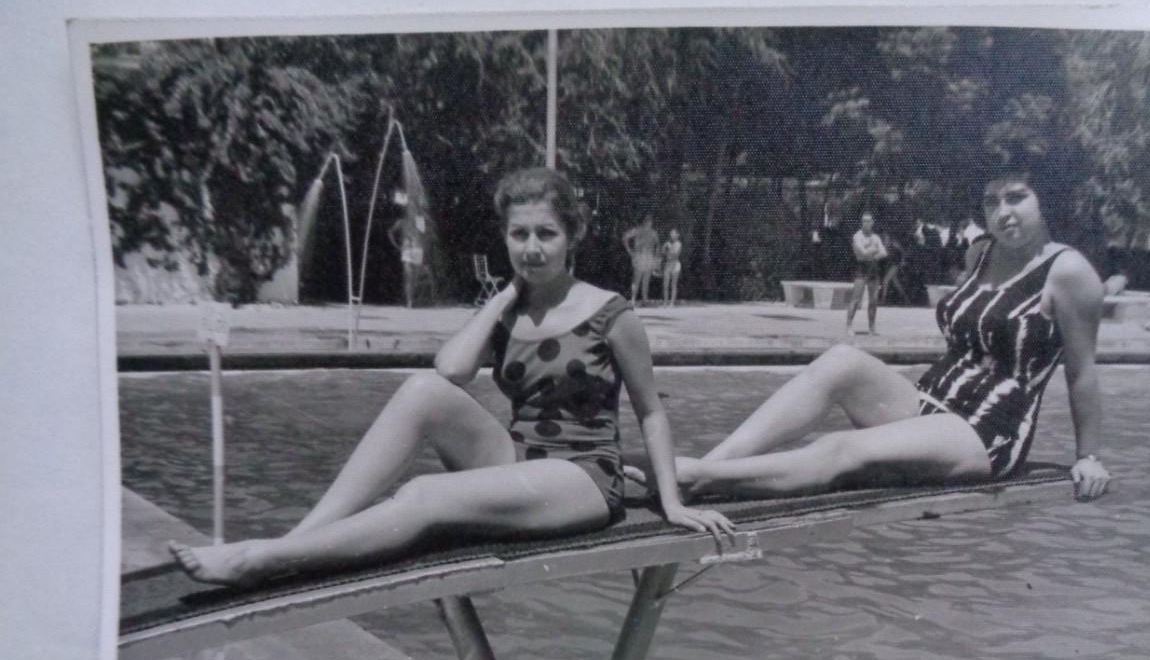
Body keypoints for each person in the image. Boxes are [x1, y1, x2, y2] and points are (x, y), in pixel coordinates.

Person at [170, 168, 732, 587]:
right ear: (505, 237)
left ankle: (266, 560)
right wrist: (504, 298)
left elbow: (651, 411)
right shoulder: (509, 309)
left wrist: (672, 502)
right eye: (519, 236)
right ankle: (294, 542)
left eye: (546, 234)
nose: (532, 249)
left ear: (572, 237)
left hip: (583, 477)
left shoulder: (611, 313)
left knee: (423, 493)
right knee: (420, 392)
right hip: (514, 461)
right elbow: (450, 371)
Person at [630, 168, 1111, 503]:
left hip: (987, 432)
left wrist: (1087, 456)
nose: (1003, 211)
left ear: (1044, 199)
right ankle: (703, 470)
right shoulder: (979, 255)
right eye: (991, 201)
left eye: (1016, 197)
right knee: (842, 359)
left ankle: (695, 473)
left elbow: (1082, 373)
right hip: (929, 402)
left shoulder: (1068, 272)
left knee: (844, 450)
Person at [846, 212, 887, 335]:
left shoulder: (876, 237)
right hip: (861, 268)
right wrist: (874, 250)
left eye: (868, 221)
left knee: (873, 300)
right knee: (856, 299)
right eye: (864, 221)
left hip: (873, 267)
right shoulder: (857, 236)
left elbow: (884, 253)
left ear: (872, 223)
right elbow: (862, 253)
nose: (866, 223)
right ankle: (849, 326)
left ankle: (871, 327)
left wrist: (873, 254)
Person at [623, 213, 661, 307]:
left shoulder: (653, 232)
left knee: (646, 280)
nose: (649, 223)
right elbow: (625, 237)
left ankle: (644, 300)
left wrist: (656, 256)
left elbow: (657, 244)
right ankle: (633, 300)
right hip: (639, 256)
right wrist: (629, 250)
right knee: (637, 279)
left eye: (650, 221)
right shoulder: (637, 230)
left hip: (649, 257)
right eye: (647, 221)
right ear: (644, 222)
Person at [661, 228, 684, 307]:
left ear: (677, 235)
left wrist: (669, 247)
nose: (672, 235)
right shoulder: (668, 243)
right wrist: (664, 248)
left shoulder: (679, 244)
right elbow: (663, 253)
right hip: (668, 264)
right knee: (665, 284)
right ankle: (665, 302)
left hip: (675, 264)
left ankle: (672, 303)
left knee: (673, 284)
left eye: (673, 233)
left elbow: (675, 254)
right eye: (671, 234)